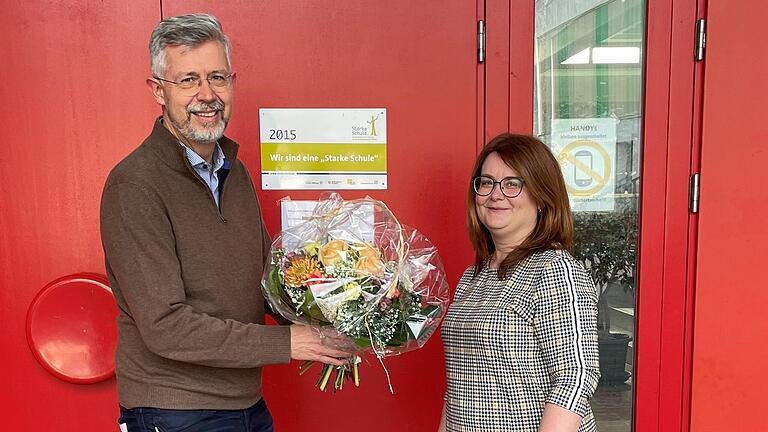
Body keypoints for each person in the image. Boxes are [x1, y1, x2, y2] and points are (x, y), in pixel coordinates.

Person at [100, 13, 350, 432]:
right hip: (173, 410)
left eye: (217, 77)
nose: (206, 94)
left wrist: (334, 322)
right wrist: (289, 343)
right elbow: (166, 327)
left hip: (246, 405)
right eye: (187, 80)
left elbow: (268, 282)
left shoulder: (234, 172)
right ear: (158, 91)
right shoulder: (134, 185)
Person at [439, 134, 600, 432]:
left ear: (542, 196)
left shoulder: (555, 269)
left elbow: (576, 375)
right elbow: (458, 384)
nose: (496, 194)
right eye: (486, 182)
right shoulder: (473, 276)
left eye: (513, 184)